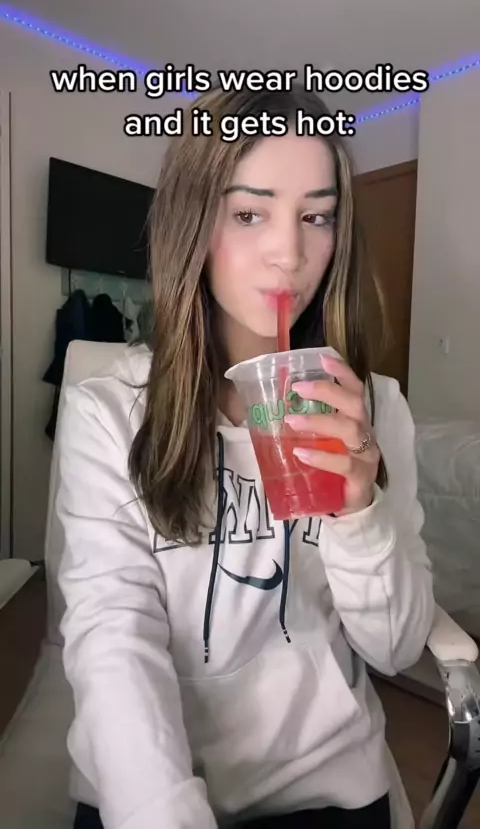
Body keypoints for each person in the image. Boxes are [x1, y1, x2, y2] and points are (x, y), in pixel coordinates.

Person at [56, 82, 435, 829]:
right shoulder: (109, 410)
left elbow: (396, 649)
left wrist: (360, 510)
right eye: (250, 213)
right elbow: (114, 635)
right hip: (150, 790)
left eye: (316, 217)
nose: (290, 253)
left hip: (328, 783)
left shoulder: (375, 408)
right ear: (194, 225)